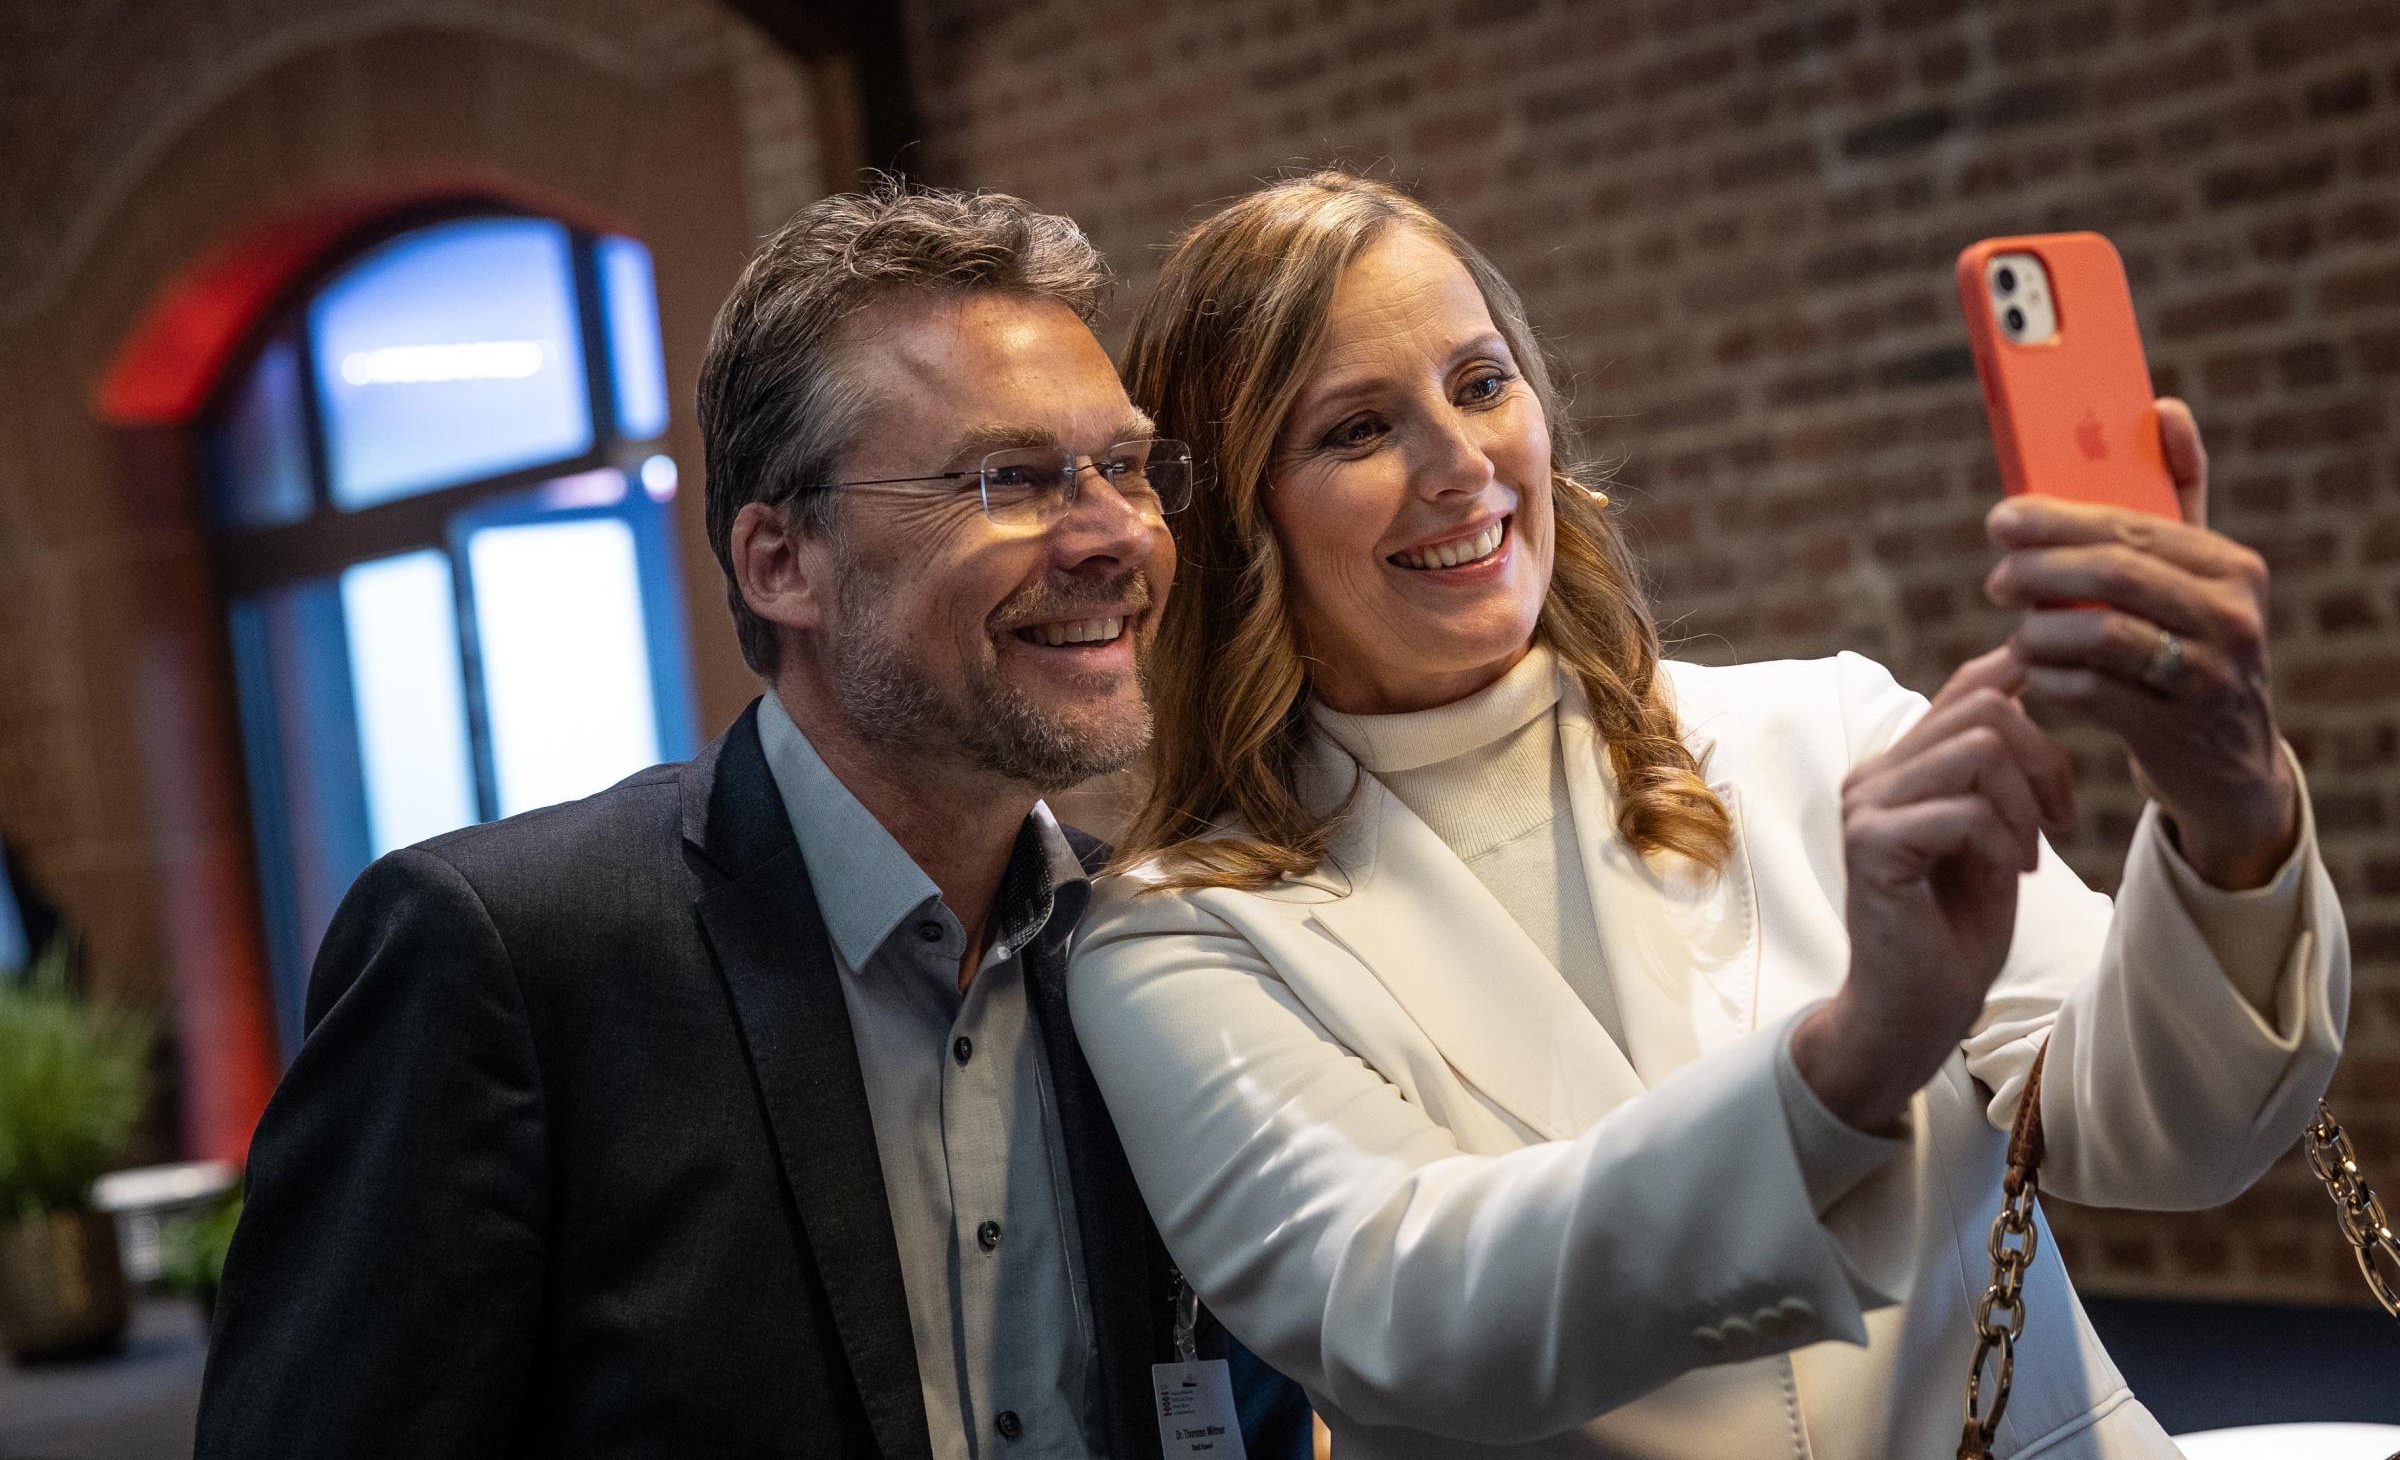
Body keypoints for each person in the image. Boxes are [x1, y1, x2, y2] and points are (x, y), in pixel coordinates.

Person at [1067, 172, 2347, 1459]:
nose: (1462, 465)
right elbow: (1411, 1313)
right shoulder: (1176, 938)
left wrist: (2229, 816)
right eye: (1357, 429)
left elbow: (2178, 1139)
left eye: (1481, 383)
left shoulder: (1829, 732)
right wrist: (1852, 1059)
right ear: (1233, 516)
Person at [197, 184, 1309, 1460]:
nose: (1118, 534)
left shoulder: (1151, 945)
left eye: (1124, 467)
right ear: (781, 562)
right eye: (1011, 479)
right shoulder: (507, 961)